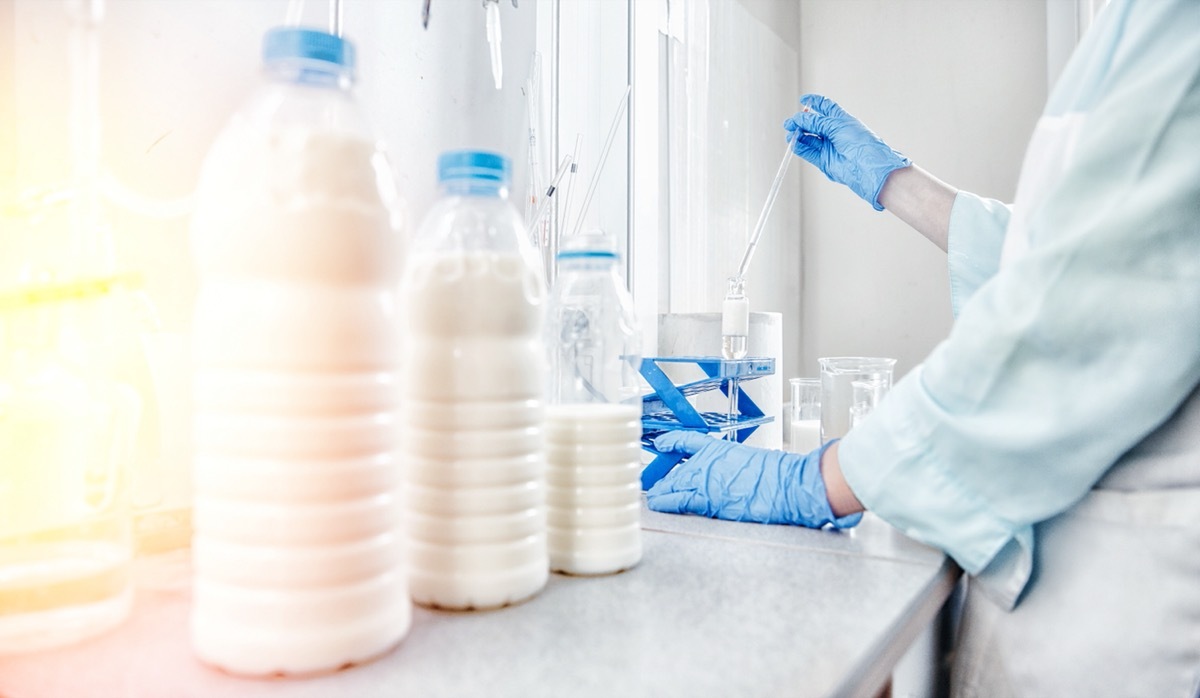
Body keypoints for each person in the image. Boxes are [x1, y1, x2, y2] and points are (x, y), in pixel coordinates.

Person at [645, 0, 1200, 694]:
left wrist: (808, 482)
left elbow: (1074, 315)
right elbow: (1080, 259)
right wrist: (894, 183)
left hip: (1127, 607)